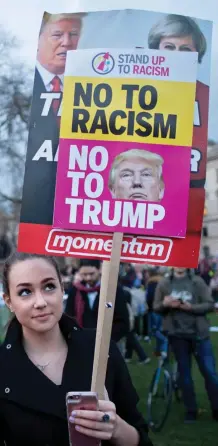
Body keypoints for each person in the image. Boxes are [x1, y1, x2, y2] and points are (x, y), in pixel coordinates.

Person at [0, 252, 152, 445]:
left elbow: (141, 437)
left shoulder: (99, 347)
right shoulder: (4, 367)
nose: (41, 302)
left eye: (49, 287)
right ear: (9, 301)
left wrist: (117, 429)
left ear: (62, 288)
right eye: (25, 292)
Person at [20, 13, 84, 226]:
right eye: (57, 35)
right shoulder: (19, 85)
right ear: (38, 41)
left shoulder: (91, 90)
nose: (67, 42)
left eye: (73, 34)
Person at [148, 14, 209, 186]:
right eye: (169, 47)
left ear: (196, 56)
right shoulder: (133, 91)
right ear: (156, 50)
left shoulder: (206, 95)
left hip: (191, 185)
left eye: (185, 49)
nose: (177, 56)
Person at [153, 267, 218, 423]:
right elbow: (155, 307)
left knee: (210, 373)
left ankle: (216, 409)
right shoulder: (164, 283)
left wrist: (190, 308)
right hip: (177, 335)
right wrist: (165, 303)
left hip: (199, 335)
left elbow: (210, 304)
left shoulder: (197, 281)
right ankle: (191, 410)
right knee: (184, 375)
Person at [65, 259, 130, 343]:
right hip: (83, 341)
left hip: (109, 342)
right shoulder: (75, 290)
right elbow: (69, 316)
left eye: (92, 274)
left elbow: (122, 320)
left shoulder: (113, 289)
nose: (88, 278)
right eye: (84, 274)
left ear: (100, 269)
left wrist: (108, 340)